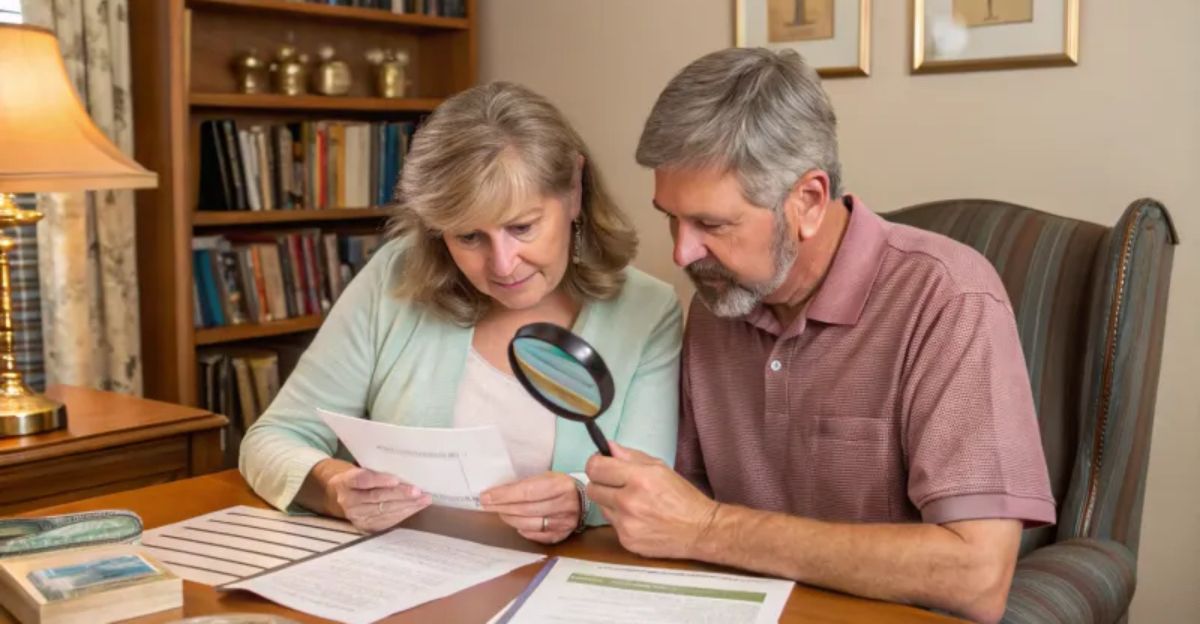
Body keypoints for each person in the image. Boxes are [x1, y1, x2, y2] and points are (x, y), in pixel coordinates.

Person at [584, 48, 1055, 623]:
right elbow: (680, 508)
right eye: (670, 217)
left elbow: (975, 575)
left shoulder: (949, 298)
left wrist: (710, 529)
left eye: (711, 224)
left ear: (807, 200)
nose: (681, 253)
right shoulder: (719, 299)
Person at [239, 81, 683, 544]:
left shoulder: (647, 311)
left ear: (573, 189)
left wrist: (579, 498)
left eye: (523, 227)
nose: (503, 264)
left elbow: (649, 484)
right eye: (469, 237)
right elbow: (273, 438)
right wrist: (335, 487)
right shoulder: (395, 276)